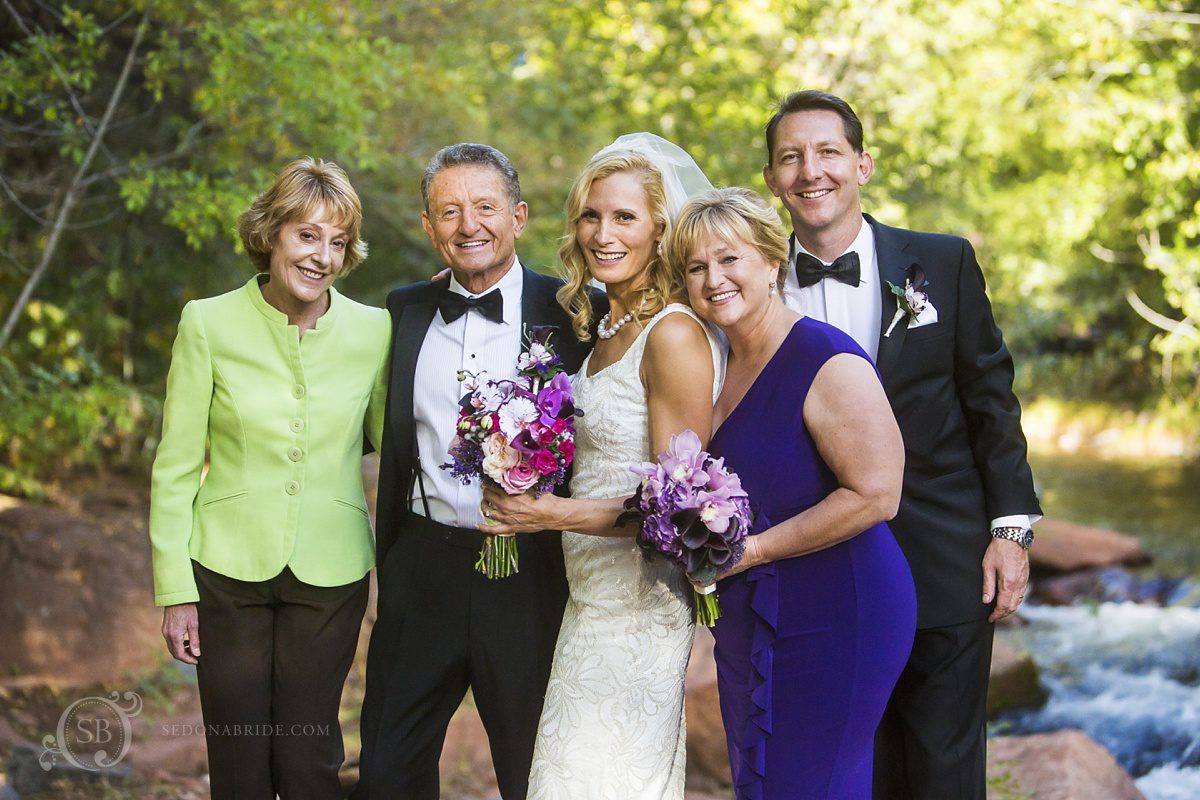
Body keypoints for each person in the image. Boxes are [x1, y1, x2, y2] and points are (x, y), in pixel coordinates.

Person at [760, 90, 1042, 799]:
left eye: (827, 152)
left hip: (943, 559)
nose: (809, 170)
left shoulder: (941, 264)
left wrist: (1011, 531)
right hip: (815, 567)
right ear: (771, 178)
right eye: (790, 157)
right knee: (849, 770)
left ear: (863, 164)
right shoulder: (752, 285)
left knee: (944, 769)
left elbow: (991, 402)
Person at [353, 143, 603, 800]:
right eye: (450, 212)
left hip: (530, 574)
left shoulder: (579, 312)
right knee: (386, 771)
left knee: (534, 771)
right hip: (422, 570)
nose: (470, 226)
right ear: (429, 227)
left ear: (518, 217)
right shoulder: (404, 310)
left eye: (486, 207)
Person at [479, 133, 720, 799]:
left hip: (640, 609)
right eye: (590, 215)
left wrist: (548, 513)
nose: (602, 233)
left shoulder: (672, 335)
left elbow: (679, 510)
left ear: (659, 229)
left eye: (623, 217)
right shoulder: (601, 333)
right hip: (586, 602)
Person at [148, 157, 388, 800]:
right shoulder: (208, 322)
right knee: (240, 768)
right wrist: (175, 589)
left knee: (308, 762)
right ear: (272, 232)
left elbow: (396, 450)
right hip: (224, 570)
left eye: (338, 242)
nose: (323, 257)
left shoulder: (375, 332)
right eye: (307, 235)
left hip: (332, 572)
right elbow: (174, 468)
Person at [669, 186, 916, 799]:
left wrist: (751, 551)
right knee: (762, 783)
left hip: (839, 608)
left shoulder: (825, 356)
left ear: (772, 262)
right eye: (696, 268)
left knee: (815, 784)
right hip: (751, 611)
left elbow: (877, 494)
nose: (714, 279)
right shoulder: (719, 364)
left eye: (729, 259)